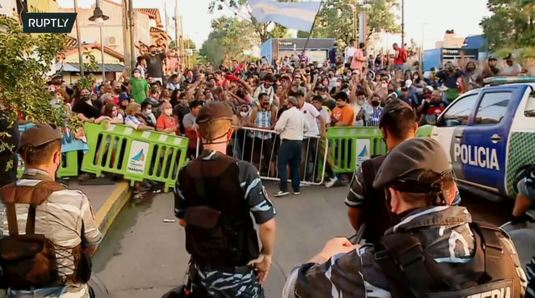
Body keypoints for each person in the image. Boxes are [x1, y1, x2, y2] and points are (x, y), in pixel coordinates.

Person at [283, 138, 527, 297]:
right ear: (453, 192)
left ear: (392, 197)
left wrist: (326, 254)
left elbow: (293, 289)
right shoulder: (501, 245)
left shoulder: (369, 264)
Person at [175, 102, 276, 298]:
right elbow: (267, 224)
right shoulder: (243, 171)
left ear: (199, 132)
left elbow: (182, 219)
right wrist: (267, 255)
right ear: (230, 133)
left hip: (200, 272)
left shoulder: (185, 172)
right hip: (236, 275)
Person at [0, 124, 102, 297]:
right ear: (57, 156)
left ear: (23, 158)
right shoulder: (75, 200)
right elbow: (93, 242)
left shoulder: (2, 198)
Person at [346, 99, 417, 244]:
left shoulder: (367, 170)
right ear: (416, 127)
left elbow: (353, 213)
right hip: (428, 253)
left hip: (380, 252)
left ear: (383, 131)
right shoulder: (437, 164)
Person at [274, 96, 309, 197]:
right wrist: (300, 132)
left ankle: (284, 188)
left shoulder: (286, 113)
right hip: (298, 141)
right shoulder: (300, 114)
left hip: (287, 141)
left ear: (289, 103)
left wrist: (278, 131)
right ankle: (296, 188)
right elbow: (307, 127)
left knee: (282, 165)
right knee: (295, 166)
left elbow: (279, 127)